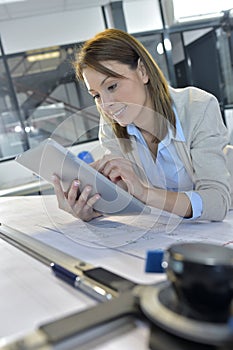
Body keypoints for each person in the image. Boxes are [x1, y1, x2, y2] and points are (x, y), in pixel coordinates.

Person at [52, 28, 231, 222]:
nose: (106, 105)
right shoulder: (111, 126)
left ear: (143, 71)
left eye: (112, 86)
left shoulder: (198, 107)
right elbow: (124, 193)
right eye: (96, 95)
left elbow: (218, 202)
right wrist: (93, 204)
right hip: (170, 228)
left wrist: (146, 194)